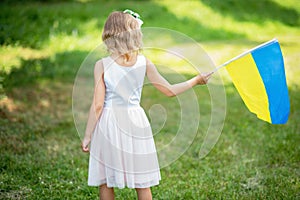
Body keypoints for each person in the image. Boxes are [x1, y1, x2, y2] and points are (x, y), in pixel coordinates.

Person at [81, 9, 212, 200]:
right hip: (136, 122)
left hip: (109, 123)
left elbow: (98, 105)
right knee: (142, 181)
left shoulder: (102, 65)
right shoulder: (144, 63)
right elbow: (169, 90)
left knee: (106, 180)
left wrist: (87, 135)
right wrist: (195, 80)